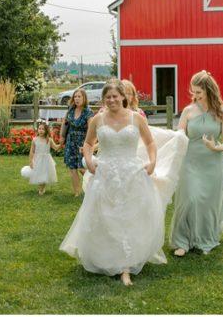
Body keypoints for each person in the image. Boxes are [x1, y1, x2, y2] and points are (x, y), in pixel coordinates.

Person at [60, 80, 184, 285]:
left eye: (115, 96)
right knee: (106, 217)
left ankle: (126, 265)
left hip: (132, 173)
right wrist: (89, 159)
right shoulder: (97, 120)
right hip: (105, 173)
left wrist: (153, 161)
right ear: (103, 100)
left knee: (129, 217)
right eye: (107, 97)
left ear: (123, 97)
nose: (111, 100)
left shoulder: (136, 119)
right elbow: (88, 143)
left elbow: (150, 142)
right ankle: (108, 258)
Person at [170, 70, 223, 257]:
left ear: (208, 90)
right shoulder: (188, 111)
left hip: (212, 162)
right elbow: (180, 132)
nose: (195, 96)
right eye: (193, 92)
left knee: (206, 202)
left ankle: (205, 239)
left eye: (199, 92)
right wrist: (176, 136)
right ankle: (182, 241)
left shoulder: (222, 113)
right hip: (190, 160)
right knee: (189, 199)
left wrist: (215, 147)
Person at [60, 89, 94, 197]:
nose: (77, 99)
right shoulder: (71, 109)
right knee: (72, 167)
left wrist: (87, 144)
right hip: (71, 141)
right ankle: (77, 192)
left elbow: (91, 129)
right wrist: (62, 136)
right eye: (75, 97)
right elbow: (64, 123)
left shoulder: (88, 111)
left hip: (82, 142)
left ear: (84, 98)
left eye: (79, 97)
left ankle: (93, 187)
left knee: (82, 168)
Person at [20, 121, 61, 195]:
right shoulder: (35, 140)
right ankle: (41, 188)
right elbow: (32, 151)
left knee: (44, 174)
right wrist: (31, 161)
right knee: (39, 174)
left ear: (46, 131)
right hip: (37, 159)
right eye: (39, 129)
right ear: (37, 130)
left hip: (47, 160)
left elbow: (55, 148)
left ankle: (41, 189)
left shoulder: (49, 140)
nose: (41, 130)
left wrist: (61, 144)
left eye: (43, 129)